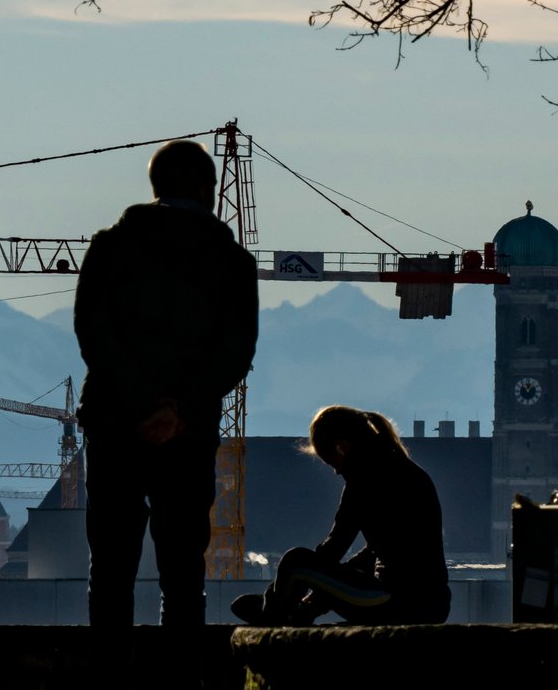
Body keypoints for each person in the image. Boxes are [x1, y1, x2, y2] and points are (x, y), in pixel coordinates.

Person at [76, 139, 258, 627]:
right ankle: (180, 682)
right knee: (183, 576)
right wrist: (177, 410)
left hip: (115, 428)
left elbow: (93, 334)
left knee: (110, 570)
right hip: (188, 433)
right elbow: (235, 354)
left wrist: (138, 403)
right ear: (208, 190)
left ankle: (110, 679)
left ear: (154, 186)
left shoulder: (109, 248)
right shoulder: (233, 262)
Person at [231, 407, 450, 626]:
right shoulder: (402, 469)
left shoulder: (364, 478)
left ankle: (275, 614)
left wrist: (308, 585)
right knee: (308, 571)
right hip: (430, 604)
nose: (336, 471)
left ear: (342, 447)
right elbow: (375, 552)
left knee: (295, 562)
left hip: (396, 601)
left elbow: (333, 548)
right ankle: (296, 609)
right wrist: (320, 593)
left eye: (331, 461)